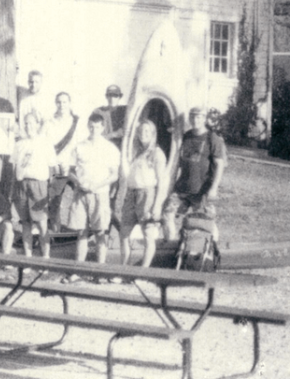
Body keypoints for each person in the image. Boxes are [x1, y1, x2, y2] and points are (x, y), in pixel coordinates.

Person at [59, 112, 120, 282]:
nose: (94, 129)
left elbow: (114, 175)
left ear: (103, 128)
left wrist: (97, 186)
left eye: (98, 126)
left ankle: (99, 273)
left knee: (100, 233)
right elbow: (70, 171)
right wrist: (78, 183)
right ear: (88, 126)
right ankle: (77, 271)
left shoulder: (110, 148)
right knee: (82, 233)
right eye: (91, 126)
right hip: (81, 194)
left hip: (100, 195)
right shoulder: (79, 146)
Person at [162, 107, 227, 242]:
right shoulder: (186, 136)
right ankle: (171, 243)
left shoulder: (212, 138)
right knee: (168, 213)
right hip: (182, 189)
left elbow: (219, 164)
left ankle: (212, 245)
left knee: (205, 221)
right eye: (192, 117)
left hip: (201, 191)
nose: (195, 120)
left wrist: (214, 188)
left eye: (199, 117)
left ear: (204, 119)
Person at [118, 120, 167, 269]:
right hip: (131, 194)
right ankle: (123, 269)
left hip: (147, 195)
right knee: (123, 234)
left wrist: (157, 205)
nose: (143, 134)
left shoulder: (157, 154)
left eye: (147, 132)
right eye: (140, 131)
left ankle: (143, 272)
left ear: (153, 134)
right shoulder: (136, 152)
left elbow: (162, 182)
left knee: (148, 235)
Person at [11, 113, 57, 257]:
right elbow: (14, 168)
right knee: (25, 223)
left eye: (31, 123)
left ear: (37, 124)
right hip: (22, 185)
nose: (28, 126)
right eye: (26, 123)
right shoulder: (19, 144)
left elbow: (52, 168)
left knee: (42, 223)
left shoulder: (45, 143)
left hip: (39, 185)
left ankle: (45, 258)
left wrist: (50, 189)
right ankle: (28, 258)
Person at [44, 91, 81, 231]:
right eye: (59, 102)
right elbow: (44, 144)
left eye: (65, 102)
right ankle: (55, 232)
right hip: (56, 166)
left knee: (84, 197)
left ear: (69, 103)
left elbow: (81, 145)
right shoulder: (49, 123)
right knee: (54, 201)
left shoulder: (77, 123)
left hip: (74, 166)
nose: (62, 105)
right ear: (55, 103)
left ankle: (84, 232)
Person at [17, 70, 52, 137]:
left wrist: (37, 138)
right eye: (31, 82)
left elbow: (46, 122)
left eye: (36, 82)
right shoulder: (22, 94)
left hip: (37, 137)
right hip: (22, 135)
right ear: (28, 82)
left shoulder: (45, 99)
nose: (33, 85)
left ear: (41, 83)